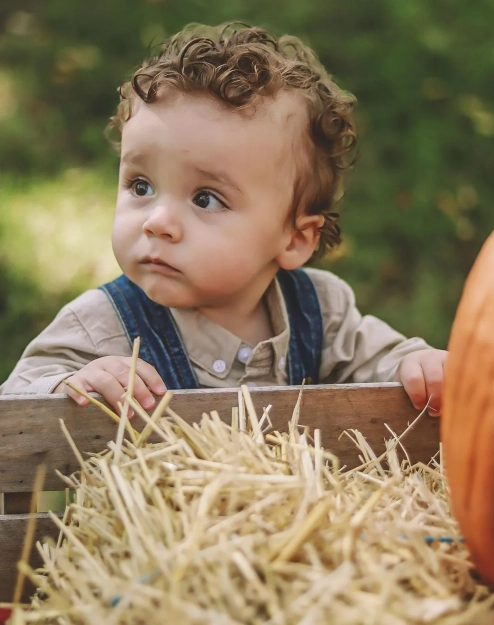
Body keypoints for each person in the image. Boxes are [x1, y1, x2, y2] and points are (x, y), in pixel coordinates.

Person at [0, 23, 447, 417]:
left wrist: (416, 366)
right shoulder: (102, 325)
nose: (158, 222)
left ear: (293, 240)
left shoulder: (320, 312)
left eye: (206, 198)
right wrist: (68, 386)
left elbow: (386, 361)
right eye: (141, 186)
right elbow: (16, 407)